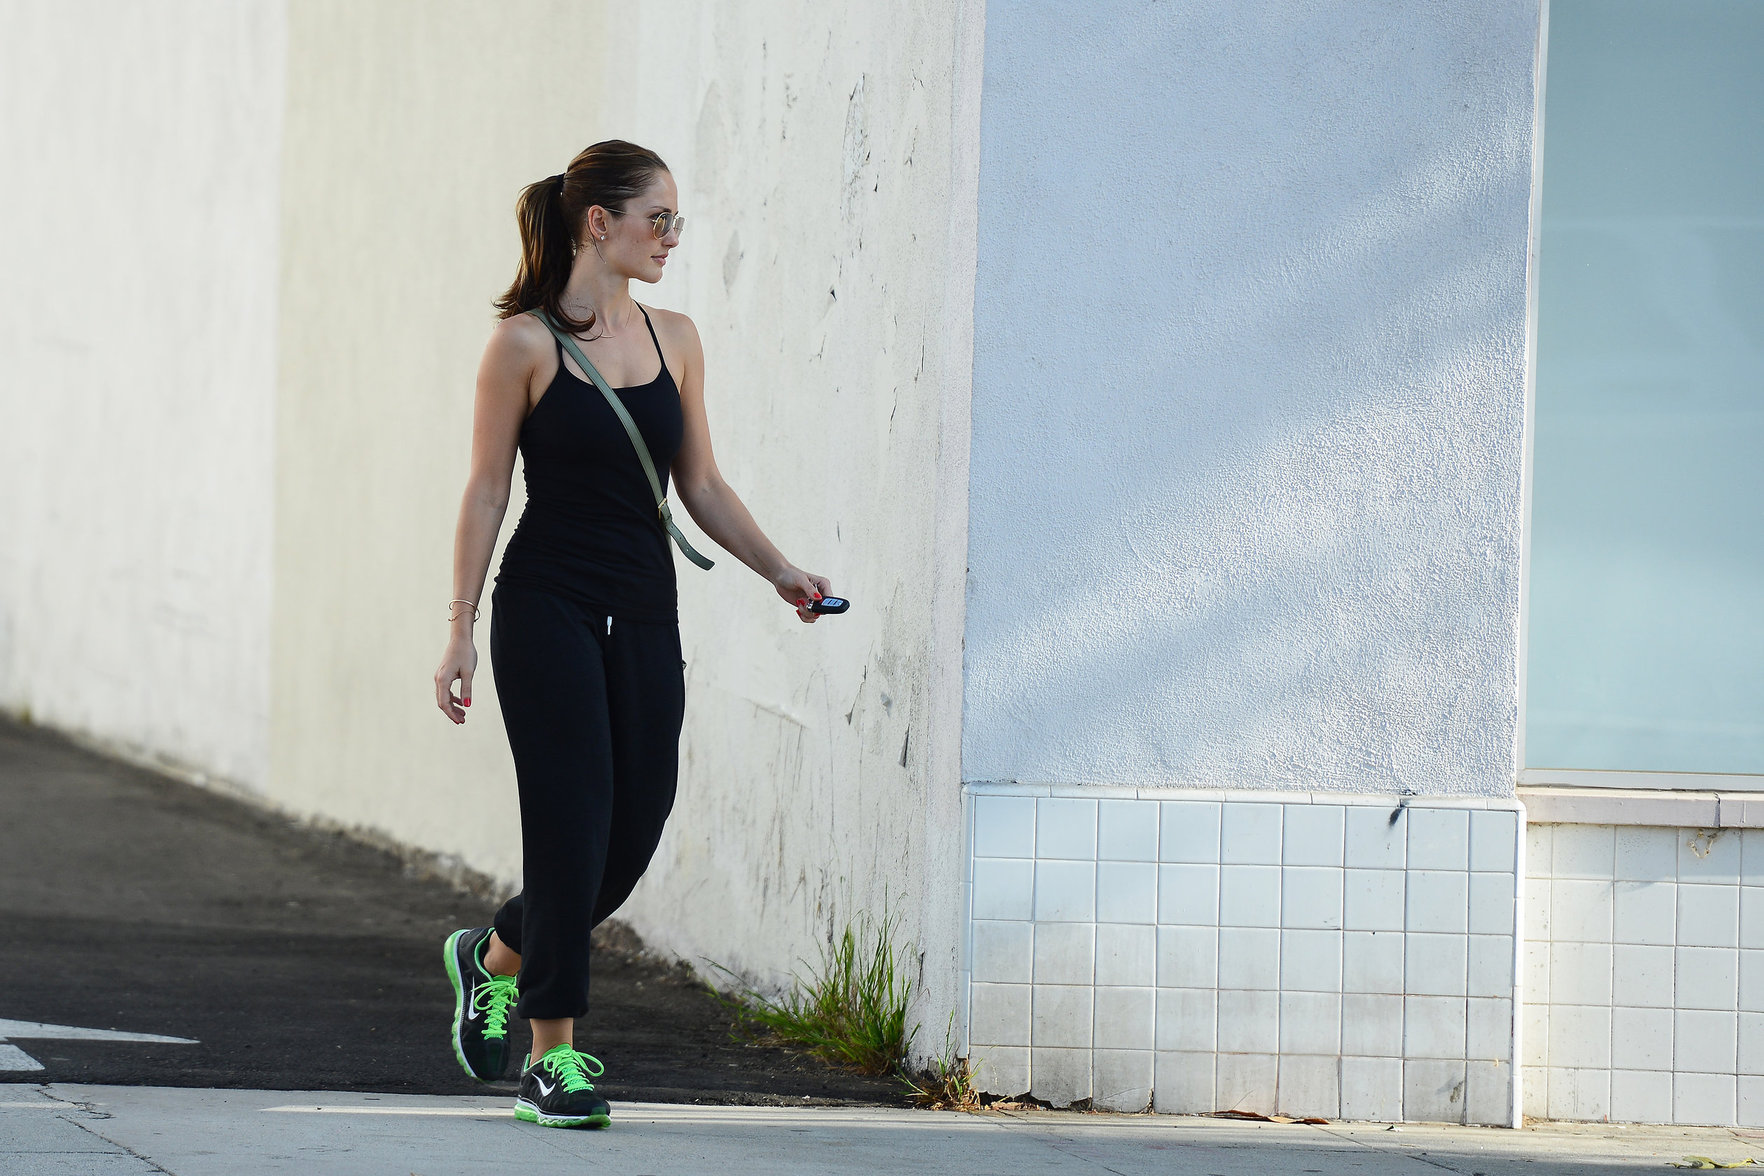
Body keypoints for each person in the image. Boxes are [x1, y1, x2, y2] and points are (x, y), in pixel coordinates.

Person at [432, 139, 832, 1129]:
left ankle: (495, 956)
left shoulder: (678, 338)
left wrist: (781, 571)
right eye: (660, 218)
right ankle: (551, 1058)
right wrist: (458, 631)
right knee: (570, 824)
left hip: (645, 607)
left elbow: (698, 483)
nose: (672, 237)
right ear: (597, 223)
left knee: (636, 821)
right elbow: (486, 491)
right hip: (547, 607)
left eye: (678, 220)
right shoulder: (523, 345)